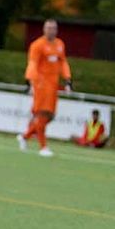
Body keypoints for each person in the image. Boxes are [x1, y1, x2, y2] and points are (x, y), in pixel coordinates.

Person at [17, 19, 71, 158]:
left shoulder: (60, 44)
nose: (51, 30)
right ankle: (43, 147)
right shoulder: (37, 45)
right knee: (42, 114)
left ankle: (25, 136)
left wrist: (67, 79)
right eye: (48, 28)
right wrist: (29, 81)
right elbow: (32, 63)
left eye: (53, 28)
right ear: (43, 29)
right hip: (41, 83)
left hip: (53, 84)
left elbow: (63, 62)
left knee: (50, 116)